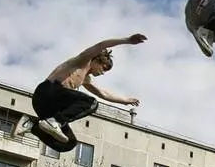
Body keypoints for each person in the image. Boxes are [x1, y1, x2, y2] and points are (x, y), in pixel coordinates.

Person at [18, 34, 146, 150]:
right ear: (97, 60)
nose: (102, 73)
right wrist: (128, 40)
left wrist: (125, 101)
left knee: (69, 143)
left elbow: (103, 94)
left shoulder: (86, 79)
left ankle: (31, 125)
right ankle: (54, 122)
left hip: (48, 108)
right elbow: (101, 45)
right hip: (47, 92)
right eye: (103, 68)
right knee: (91, 103)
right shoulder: (82, 61)